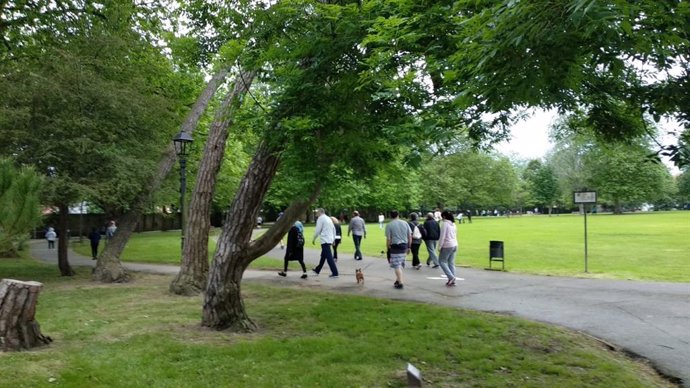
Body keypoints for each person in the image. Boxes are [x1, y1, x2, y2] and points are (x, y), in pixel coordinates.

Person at [385, 210, 411, 289]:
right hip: (404, 246)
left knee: (396, 265)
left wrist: (388, 247)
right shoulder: (405, 223)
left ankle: (400, 282)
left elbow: (389, 239)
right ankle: (397, 280)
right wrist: (409, 246)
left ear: (390, 216)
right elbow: (409, 236)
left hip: (395, 246)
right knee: (400, 263)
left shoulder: (389, 225)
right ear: (398, 215)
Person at [311, 208, 339, 278]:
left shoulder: (320, 219)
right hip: (329, 239)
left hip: (325, 240)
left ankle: (335, 273)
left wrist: (314, 239)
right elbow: (334, 229)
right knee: (323, 256)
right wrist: (333, 240)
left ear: (320, 212)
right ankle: (317, 270)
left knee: (329, 257)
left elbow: (318, 230)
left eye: (317, 212)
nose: (316, 214)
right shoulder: (328, 218)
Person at [438, 210, 459, 287]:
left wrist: (440, 246)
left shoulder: (445, 224)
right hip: (454, 244)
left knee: (442, 261)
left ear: (444, 216)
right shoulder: (453, 224)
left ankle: (451, 277)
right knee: (451, 262)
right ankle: (452, 279)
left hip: (447, 245)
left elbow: (442, 236)